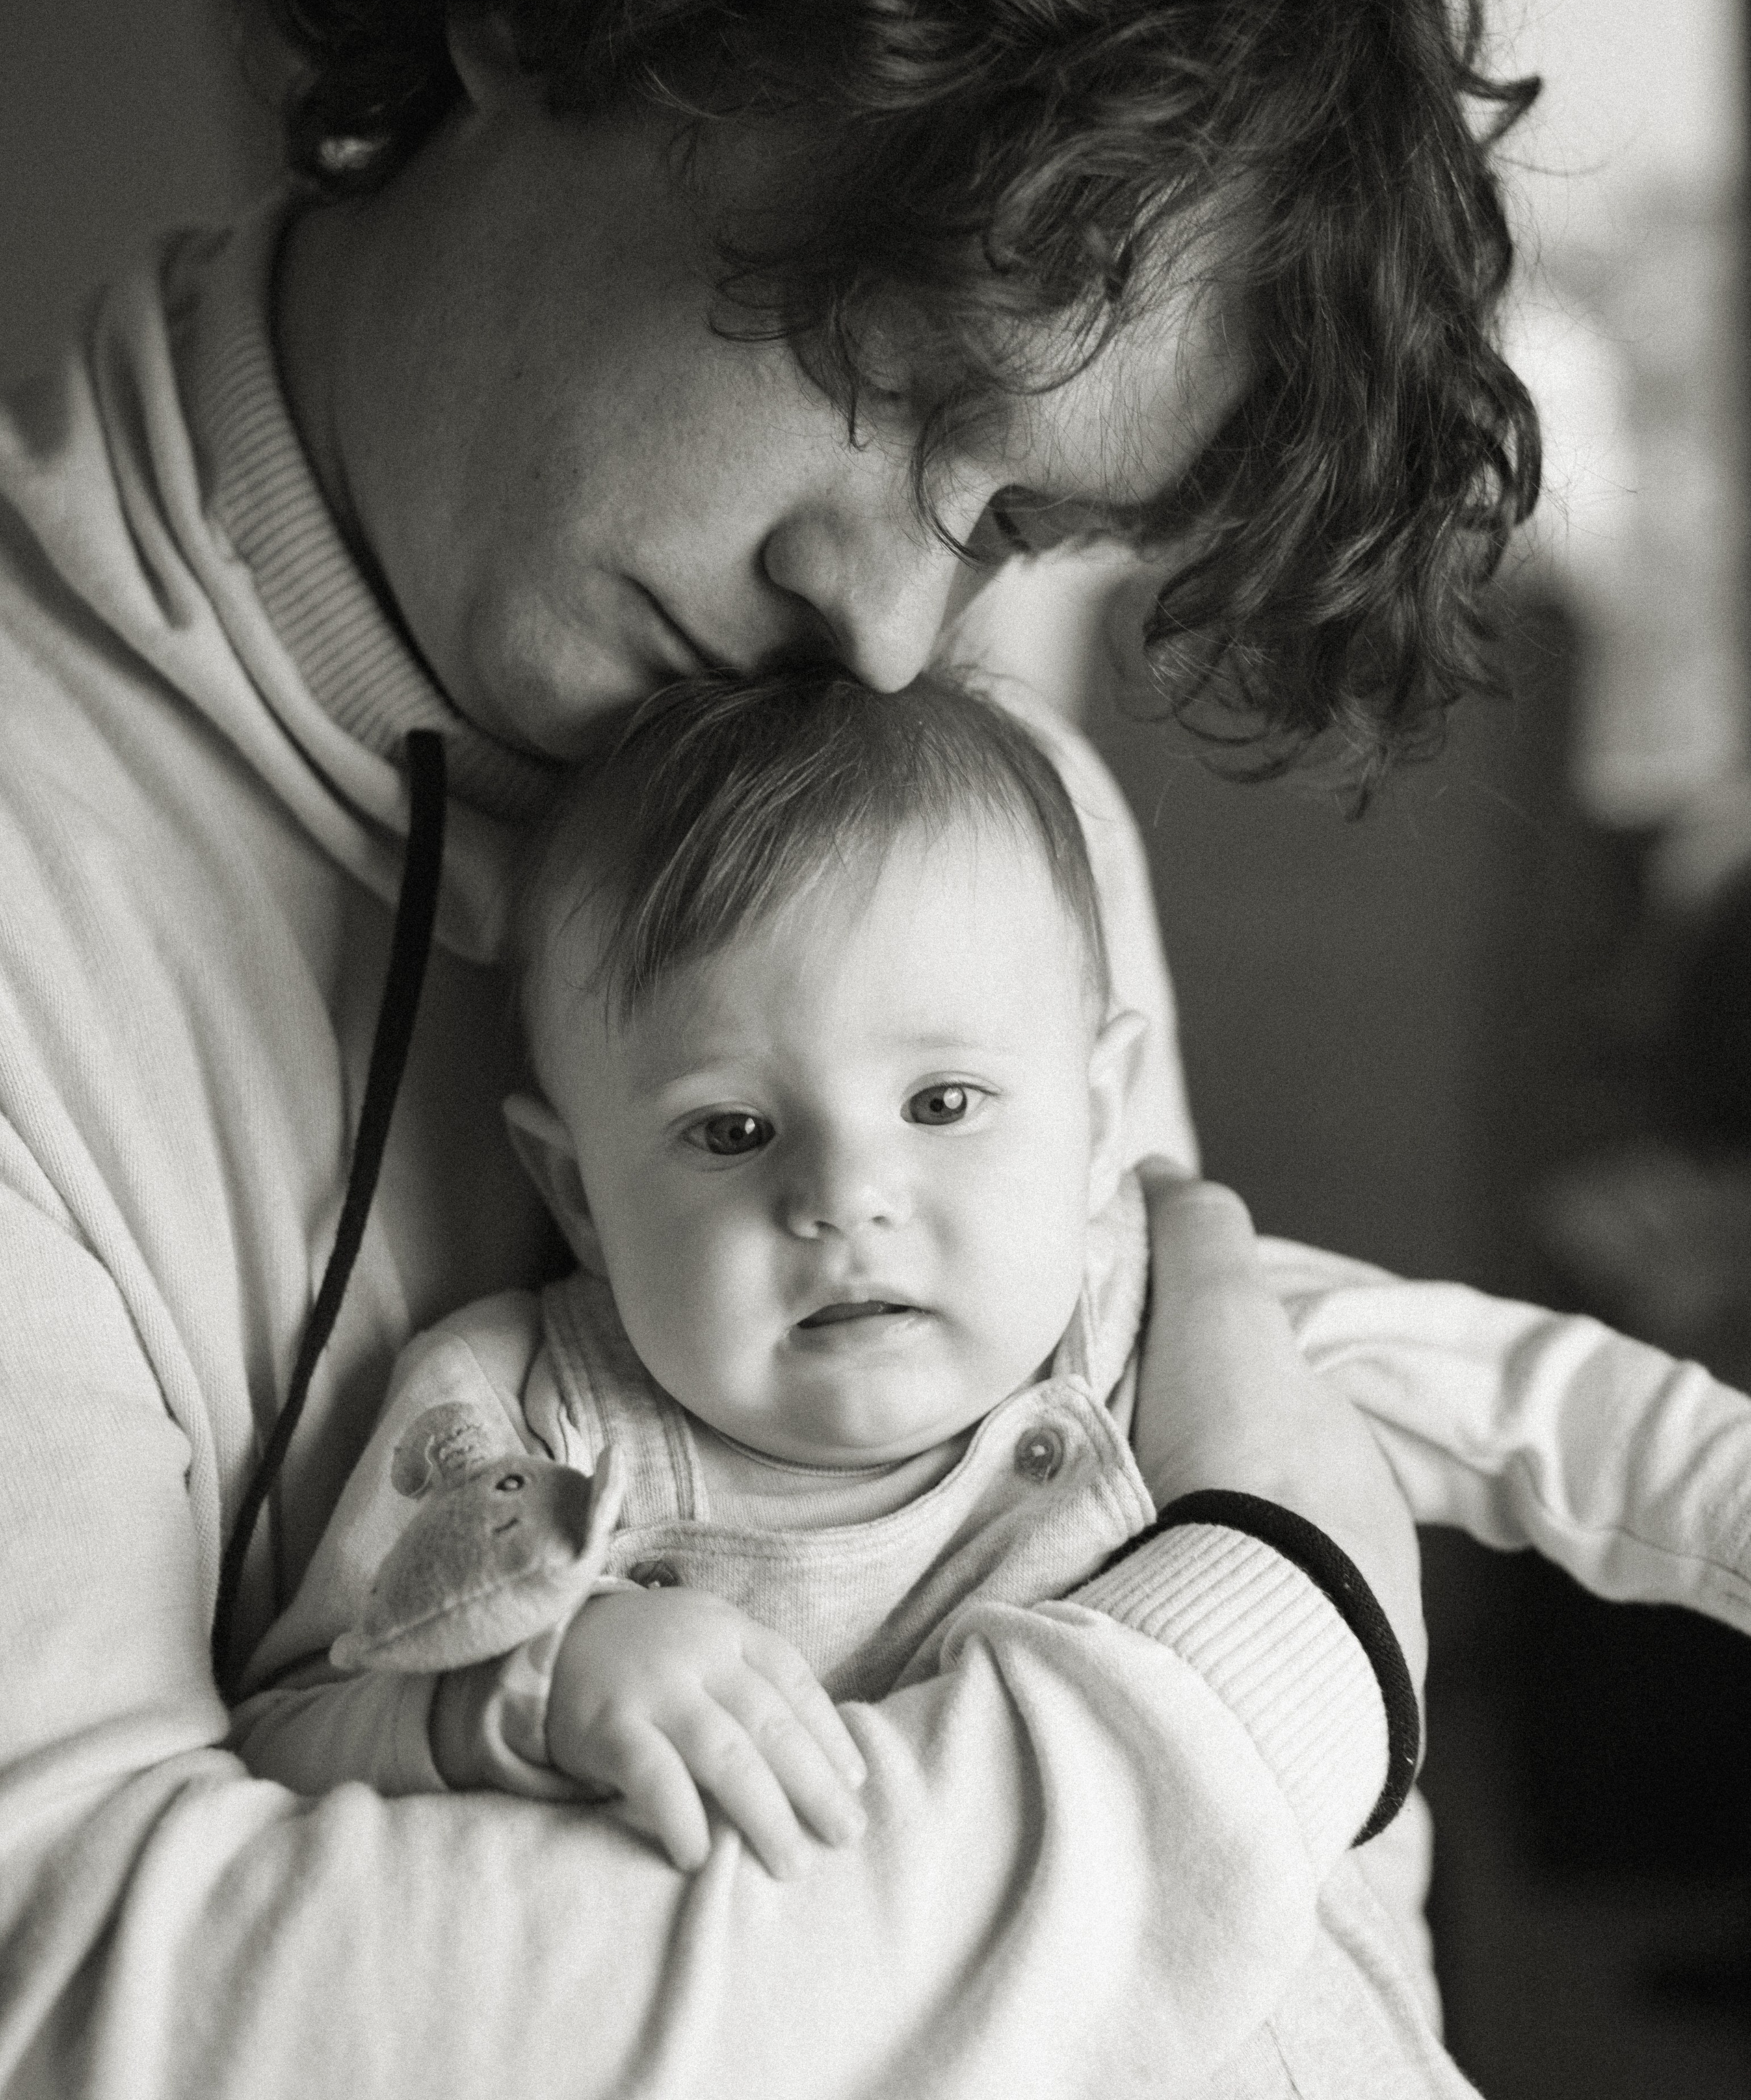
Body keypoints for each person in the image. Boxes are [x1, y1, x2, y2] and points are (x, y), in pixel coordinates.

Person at [0, 0, 1624, 2093]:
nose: (877, 636)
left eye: (1010, 524)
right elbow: (93, 2002)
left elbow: (1295, 1963)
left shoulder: (985, 812)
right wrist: (1263, 1656)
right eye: (893, 378)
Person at [226, 664, 1751, 1927]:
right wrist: (544, 1684)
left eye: (943, 1103)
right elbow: (294, 1730)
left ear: (1098, 1115)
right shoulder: (519, 1423)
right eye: (729, 1132)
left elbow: (1558, 1418)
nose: (843, 1197)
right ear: (575, 1191)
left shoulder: (1168, 1326)